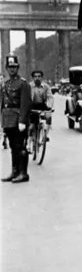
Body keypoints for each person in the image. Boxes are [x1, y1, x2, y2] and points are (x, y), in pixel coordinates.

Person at [1, 55, 32, 183]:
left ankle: (23, 173)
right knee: (13, 146)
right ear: (6, 68)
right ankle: (14, 171)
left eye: (14, 67)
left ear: (18, 67)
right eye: (10, 67)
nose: (12, 69)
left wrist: (22, 121)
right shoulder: (5, 83)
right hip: (8, 119)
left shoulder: (23, 83)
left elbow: (26, 103)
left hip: (18, 118)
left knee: (20, 146)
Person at [29, 70, 53, 141]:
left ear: (42, 78)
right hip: (32, 105)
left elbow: (50, 97)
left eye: (39, 76)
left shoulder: (46, 87)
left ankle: (45, 136)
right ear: (33, 78)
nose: (37, 78)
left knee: (49, 117)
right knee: (31, 123)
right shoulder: (29, 86)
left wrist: (50, 106)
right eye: (35, 76)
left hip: (42, 105)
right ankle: (29, 139)